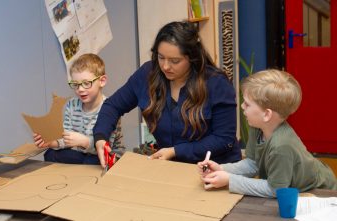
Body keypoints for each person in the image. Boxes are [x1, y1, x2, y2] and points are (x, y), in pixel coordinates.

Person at [93, 21, 241, 168]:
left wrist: (176, 151)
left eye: (175, 61)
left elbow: (223, 139)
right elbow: (113, 106)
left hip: (216, 168)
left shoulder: (216, 83)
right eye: (161, 57)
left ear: (192, 58)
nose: (165, 66)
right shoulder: (147, 74)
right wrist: (100, 137)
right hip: (172, 168)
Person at [198, 69, 337, 197]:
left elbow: (275, 189)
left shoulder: (281, 146)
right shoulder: (257, 126)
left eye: (247, 104)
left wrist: (230, 180)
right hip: (292, 185)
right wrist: (221, 169)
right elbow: (253, 164)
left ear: (266, 114)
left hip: (322, 191)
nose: (241, 106)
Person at [34, 53, 124, 164]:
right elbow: (66, 138)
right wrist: (51, 142)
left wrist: (85, 142)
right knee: (50, 153)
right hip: (81, 153)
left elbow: (106, 148)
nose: (80, 89)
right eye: (76, 84)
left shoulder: (110, 109)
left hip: (105, 154)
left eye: (86, 83)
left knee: (93, 161)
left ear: (102, 81)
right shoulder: (72, 105)